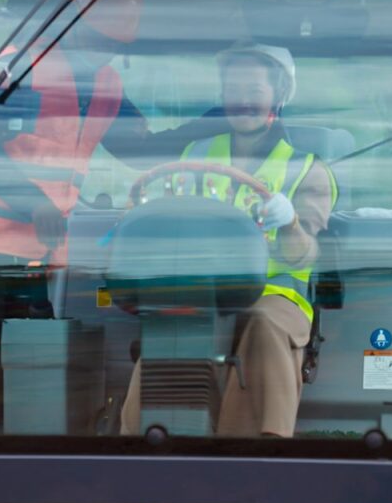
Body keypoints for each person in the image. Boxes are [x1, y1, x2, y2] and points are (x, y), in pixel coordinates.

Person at [121, 42, 337, 437]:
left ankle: (259, 448)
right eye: (234, 89)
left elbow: (304, 255)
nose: (243, 100)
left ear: (278, 95)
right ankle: (143, 440)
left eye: (254, 90)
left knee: (262, 323)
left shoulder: (307, 169)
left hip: (273, 294)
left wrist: (289, 222)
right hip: (202, 288)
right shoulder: (195, 153)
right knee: (171, 323)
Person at [0, 0, 227, 317]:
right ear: (72, 25)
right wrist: (34, 203)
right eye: (98, 40)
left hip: (44, 250)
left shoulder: (107, 85)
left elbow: (142, 150)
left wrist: (216, 120)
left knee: (31, 336)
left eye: (114, 47)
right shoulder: (21, 68)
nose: (103, 53)